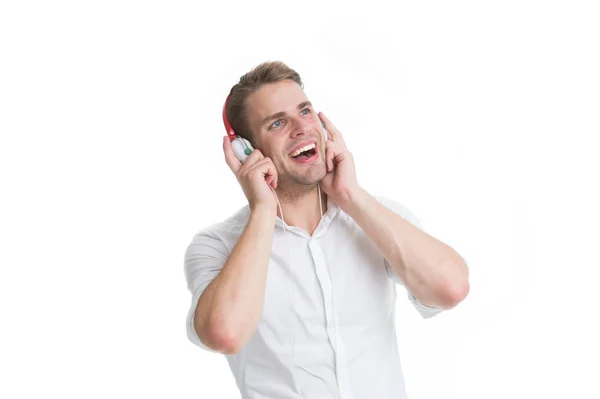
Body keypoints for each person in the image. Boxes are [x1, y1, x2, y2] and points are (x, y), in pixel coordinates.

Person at [184, 61, 470, 399]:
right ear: (246, 150)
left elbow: (451, 288)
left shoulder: (376, 216)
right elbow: (225, 333)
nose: (302, 128)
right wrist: (263, 208)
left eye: (305, 111)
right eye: (278, 122)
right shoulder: (216, 246)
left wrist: (351, 196)